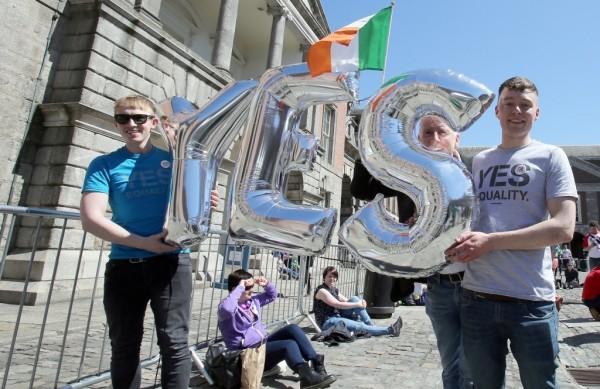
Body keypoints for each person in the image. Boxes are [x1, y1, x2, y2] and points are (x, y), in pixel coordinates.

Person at [445, 77, 578, 388]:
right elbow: (467, 219)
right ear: (497, 111)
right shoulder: (480, 161)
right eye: (509, 104)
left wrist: (491, 242)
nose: (516, 111)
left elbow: (564, 227)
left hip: (531, 301)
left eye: (525, 105)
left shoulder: (551, 156)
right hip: (477, 297)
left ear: (537, 113)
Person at [80, 95, 218, 388]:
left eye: (139, 118)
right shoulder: (104, 164)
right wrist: (145, 244)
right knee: (124, 345)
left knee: (174, 343)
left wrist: (206, 199)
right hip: (123, 266)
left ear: (153, 122)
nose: (132, 124)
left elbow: (195, 202)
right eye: (123, 118)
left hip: (170, 263)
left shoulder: (176, 161)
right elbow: (92, 218)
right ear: (117, 123)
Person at [351, 115, 473, 388]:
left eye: (441, 132)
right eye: (427, 133)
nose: (433, 139)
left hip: (477, 282)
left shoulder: (476, 170)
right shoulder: (409, 173)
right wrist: (365, 146)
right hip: (439, 286)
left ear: (457, 137)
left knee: (471, 365)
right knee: (451, 364)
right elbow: (361, 189)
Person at [218, 269, 336, 389]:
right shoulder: (226, 309)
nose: (251, 290)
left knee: (293, 328)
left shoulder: (253, 302)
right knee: (288, 345)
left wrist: (266, 284)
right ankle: (307, 377)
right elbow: (227, 309)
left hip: (262, 345)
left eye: (252, 286)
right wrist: (240, 287)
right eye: (247, 288)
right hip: (246, 355)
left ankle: (317, 364)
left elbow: (272, 295)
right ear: (235, 289)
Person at [313, 266, 403, 337]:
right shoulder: (322, 291)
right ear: (324, 277)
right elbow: (338, 304)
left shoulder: (334, 289)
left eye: (334, 277)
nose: (332, 279)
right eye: (330, 276)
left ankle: (370, 325)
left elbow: (347, 301)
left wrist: (360, 302)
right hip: (327, 322)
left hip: (338, 316)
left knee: (355, 298)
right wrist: (357, 304)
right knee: (359, 326)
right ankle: (390, 330)